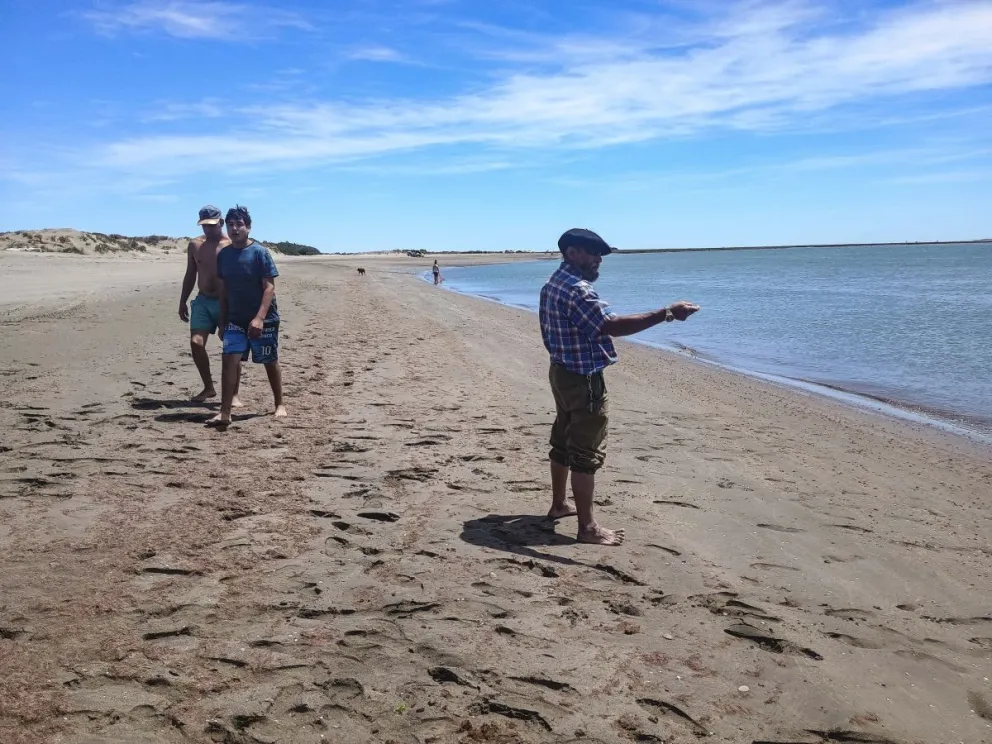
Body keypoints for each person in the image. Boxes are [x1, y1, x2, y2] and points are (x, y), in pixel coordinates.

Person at [539, 228, 699, 546]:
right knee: (585, 452)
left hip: (561, 372)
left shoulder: (553, 283)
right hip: (583, 379)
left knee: (562, 440)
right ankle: (587, 528)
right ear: (572, 253)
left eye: (601, 254)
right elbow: (611, 326)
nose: (599, 259)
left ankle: (559, 505)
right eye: (593, 253)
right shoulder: (577, 289)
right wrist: (666, 314)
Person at [210, 205, 287, 427]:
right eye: (231, 225)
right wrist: (222, 322)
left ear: (248, 227)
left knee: (269, 360)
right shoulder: (223, 255)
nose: (235, 229)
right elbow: (223, 292)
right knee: (229, 360)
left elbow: (269, 287)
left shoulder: (260, 252)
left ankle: (279, 403)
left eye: (239, 225)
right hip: (235, 318)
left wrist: (260, 318)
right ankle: (225, 412)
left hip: (264, 318)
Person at [178, 205, 241, 406]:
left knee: (231, 347)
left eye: (212, 225)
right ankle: (208, 387)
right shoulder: (195, 245)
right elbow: (190, 274)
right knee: (196, 343)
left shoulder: (232, 244)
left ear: (221, 223)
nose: (208, 229)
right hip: (203, 300)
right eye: (204, 225)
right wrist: (183, 300)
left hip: (228, 301)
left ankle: (233, 394)